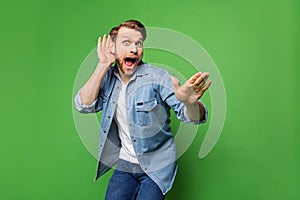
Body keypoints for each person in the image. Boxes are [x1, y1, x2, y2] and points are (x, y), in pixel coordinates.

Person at [74, 19, 211, 200]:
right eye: (126, 43)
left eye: (138, 43)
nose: (134, 49)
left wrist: (189, 102)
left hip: (157, 166)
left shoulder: (158, 77)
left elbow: (193, 117)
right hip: (125, 165)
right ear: (113, 48)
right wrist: (103, 65)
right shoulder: (107, 79)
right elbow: (83, 105)